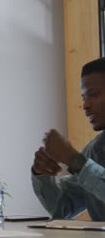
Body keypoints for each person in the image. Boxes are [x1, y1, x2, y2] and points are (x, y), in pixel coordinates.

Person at [31, 57, 105, 221]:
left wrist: (75, 161)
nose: (86, 105)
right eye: (84, 97)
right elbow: (62, 208)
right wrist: (41, 174)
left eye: (94, 94)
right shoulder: (95, 149)